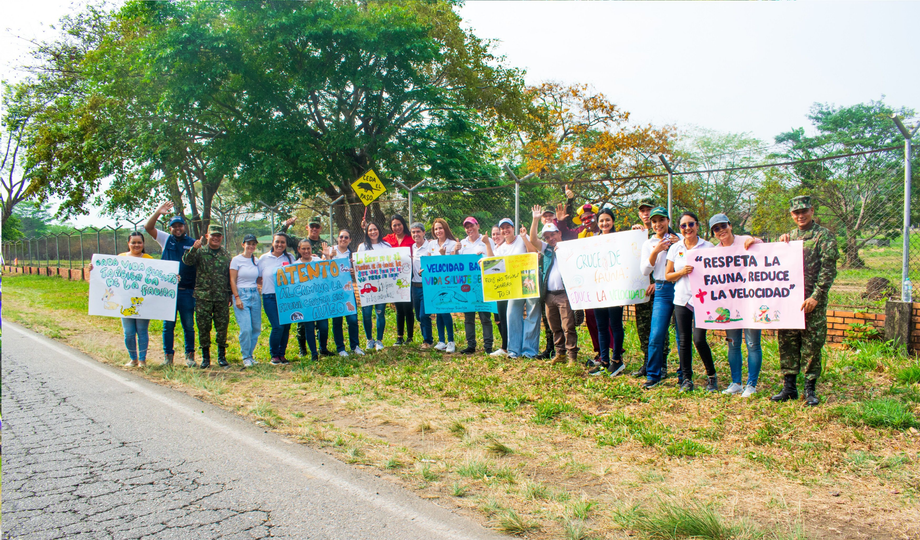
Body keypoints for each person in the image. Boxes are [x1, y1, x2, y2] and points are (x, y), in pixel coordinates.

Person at [773, 196, 838, 406]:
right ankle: (789, 387)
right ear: (791, 215)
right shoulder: (788, 237)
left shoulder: (824, 237)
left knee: (812, 345)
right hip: (789, 300)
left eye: (804, 211)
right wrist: (780, 244)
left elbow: (828, 271)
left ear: (811, 211)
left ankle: (810, 388)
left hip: (812, 302)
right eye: (796, 213)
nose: (800, 216)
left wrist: (816, 297)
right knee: (787, 342)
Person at [709, 213, 764, 397]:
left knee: (752, 343)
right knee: (733, 344)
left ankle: (751, 385)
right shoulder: (715, 252)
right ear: (713, 233)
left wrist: (756, 241)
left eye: (723, 226)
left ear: (730, 225)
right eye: (716, 229)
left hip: (751, 301)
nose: (721, 230)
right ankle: (736, 383)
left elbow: (765, 253)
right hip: (729, 304)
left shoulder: (745, 241)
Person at [665, 211, 717, 392]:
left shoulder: (708, 247)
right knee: (684, 341)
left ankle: (712, 376)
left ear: (697, 225)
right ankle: (687, 379)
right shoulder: (675, 248)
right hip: (681, 298)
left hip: (702, 299)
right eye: (683, 225)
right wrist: (681, 272)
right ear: (679, 228)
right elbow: (668, 275)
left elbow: (719, 272)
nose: (687, 228)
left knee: (699, 339)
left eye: (691, 224)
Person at [145, 201, 197, 367]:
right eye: (174, 226)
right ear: (170, 229)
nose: (177, 229)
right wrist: (158, 212)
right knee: (168, 326)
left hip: (186, 291)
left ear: (184, 227)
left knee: (188, 325)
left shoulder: (193, 243)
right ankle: (168, 357)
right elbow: (148, 227)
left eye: (180, 226)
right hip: (168, 292)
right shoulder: (166, 240)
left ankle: (190, 357)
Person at [524, 206, 577, 364]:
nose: (550, 238)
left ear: (559, 233)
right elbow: (533, 240)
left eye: (553, 234)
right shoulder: (546, 249)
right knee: (555, 326)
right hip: (549, 295)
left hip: (564, 294)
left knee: (568, 326)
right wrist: (535, 219)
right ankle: (559, 354)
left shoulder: (568, 247)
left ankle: (572, 356)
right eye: (547, 236)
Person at [484, 217, 540, 359]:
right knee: (512, 315)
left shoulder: (522, 238)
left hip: (529, 280)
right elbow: (493, 265)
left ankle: (529, 351)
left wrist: (525, 238)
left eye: (508, 227)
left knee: (532, 314)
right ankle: (514, 350)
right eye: (502, 228)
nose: (505, 230)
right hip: (514, 286)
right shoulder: (501, 248)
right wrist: (485, 261)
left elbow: (534, 254)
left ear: (513, 228)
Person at [640, 207, 681, 390]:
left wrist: (678, 244)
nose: (658, 224)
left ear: (668, 221)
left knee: (682, 335)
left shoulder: (679, 239)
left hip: (680, 287)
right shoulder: (649, 243)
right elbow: (645, 271)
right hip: (662, 289)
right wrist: (656, 250)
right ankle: (653, 375)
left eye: (661, 220)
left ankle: (684, 375)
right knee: (656, 334)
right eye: (654, 221)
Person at [182, 224, 233, 369]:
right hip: (203, 297)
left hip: (221, 296)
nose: (215, 238)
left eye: (218, 236)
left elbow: (228, 275)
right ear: (207, 236)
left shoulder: (226, 254)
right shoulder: (200, 252)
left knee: (222, 327)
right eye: (213, 235)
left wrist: (229, 294)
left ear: (221, 237)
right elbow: (187, 261)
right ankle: (205, 357)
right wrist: (194, 248)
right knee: (204, 327)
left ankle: (222, 357)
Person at [280, 216, 332, 354]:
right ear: (307, 227)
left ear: (320, 228)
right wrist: (285, 225)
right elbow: (280, 237)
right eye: (312, 226)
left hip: (318, 292)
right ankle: (302, 348)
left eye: (317, 226)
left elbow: (329, 267)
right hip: (303, 293)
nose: (314, 228)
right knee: (303, 323)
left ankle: (323, 348)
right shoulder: (300, 241)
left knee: (322, 323)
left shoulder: (324, 244)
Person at [585, 208, 626, 377]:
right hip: (598, 288)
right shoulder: (594, 241)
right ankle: (604, 361)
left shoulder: (621, 240)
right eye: (601, 221)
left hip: (615, 288)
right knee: (601, 325)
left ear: (613, 221)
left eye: (607, 220)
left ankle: (617, 361)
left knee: (615, 324)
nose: (604, 224)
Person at [455, 216, 495, 355]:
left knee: (485, 316)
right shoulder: (462, 244)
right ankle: (471, 345)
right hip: (467, 286)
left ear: (477, 225)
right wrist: (455, 251)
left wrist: (484, 253)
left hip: (483, 284)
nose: (469, 229)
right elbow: (456, 265)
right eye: (466, 227)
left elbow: (494, 258)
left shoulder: (486, 241)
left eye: (471, 226)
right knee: (469, 318)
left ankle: (488, 346)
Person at [324, 229, 364, 357]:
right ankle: (340, 348)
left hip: (348, 292)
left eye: (346, 237)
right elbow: (322, 271)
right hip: (334, 292)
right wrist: (328, 257)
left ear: (350, 240)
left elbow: (359, 273)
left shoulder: (352, 255)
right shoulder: (330, 251)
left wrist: (354, 273)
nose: (343, 239)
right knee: (337, 321)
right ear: (337, 238)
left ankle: (355, 346)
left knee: (352, 319)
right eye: (341, 237)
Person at [259, 233, 296, 365]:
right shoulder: (263, 259)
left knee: (286, 326)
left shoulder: (290, 258)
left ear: (286, 244)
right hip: (270, 296)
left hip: (286, 297)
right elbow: (258, 277)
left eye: (283, 242)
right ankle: (274, 354)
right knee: (277, 326)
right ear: (272, 243)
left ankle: (282, 354)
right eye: (277, 242)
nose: (280, 245)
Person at [119, 232, 155, 367]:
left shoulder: (149, 259)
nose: (136, 245)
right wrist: (93, 268)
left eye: (139, 242)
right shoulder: (120, 258)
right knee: (128, 332)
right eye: (133, 242)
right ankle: (133, 358)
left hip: (143, 302)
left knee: (142, 331)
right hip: (125, 302)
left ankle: (142, 360)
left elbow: (157, 279)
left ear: (143, 244)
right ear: (128, 243)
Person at [631, 197, 656, 377]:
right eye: (643, 211)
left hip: (658, 289)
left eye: (649, 210)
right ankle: (647, 362)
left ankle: (660, 364)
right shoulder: (636, 234)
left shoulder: (664, 234)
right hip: (640, 288)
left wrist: (658, 281)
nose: (646, 214)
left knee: (658, 328)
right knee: (643, 326)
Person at [294, 238, 330, 362]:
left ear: (311, 249)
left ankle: (323, 349)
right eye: (303, 248)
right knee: (309, 327)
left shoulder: (318, 261)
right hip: (305, 302)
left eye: (308, 248)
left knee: (323, 326)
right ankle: (314, 353)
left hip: (320, 300)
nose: (306, 251)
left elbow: (329, 271)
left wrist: (327, 256)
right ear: (299, 250)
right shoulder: (294, 265)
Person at [230, 234, 262, 368]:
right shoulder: (236, 260)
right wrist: (237, 297)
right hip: (241, 294)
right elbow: (232, 280)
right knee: (246, 328)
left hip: (254, 294)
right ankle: (245, 356)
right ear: (243, 245)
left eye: (253, 244)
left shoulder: (256, 260)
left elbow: (259, 277)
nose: (251, 246)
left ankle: (250, 354)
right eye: (248, 243)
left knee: (256, 328)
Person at [358, 221, 391, 351]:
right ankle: (369, 340)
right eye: (370, 230)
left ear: (379, 230)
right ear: (366, 232)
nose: (373, 232)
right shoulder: (362, 247)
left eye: (375, 229)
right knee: (366, 313)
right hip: (367, 286)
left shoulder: (386, 246)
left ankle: (379, 340)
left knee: (380, 313)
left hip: (382, 286)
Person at [383, 214, 415, 345]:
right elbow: (373, 241)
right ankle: (399, 336)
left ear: (403, 224)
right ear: (391, 227)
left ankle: (410, 337)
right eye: (394, 225)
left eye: (399, 224)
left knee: (408, 308)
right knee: (399, 309)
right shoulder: (387, 240)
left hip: (408, 278)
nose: (397, 227)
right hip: (393, 279)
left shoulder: (411, 238)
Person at [429, 218, 458, 353]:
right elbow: (428, 262)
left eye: (440, 228)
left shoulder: (452, 244)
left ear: (445, 229)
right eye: (435, 229)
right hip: (435, 282)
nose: (438, 231)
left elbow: (453, 264)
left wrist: (443, 255)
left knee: (445, 310)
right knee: (439, 311)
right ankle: (441, 341)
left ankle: (451, 341)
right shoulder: (431, 244)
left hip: (447, 282)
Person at [409, 222, 434, 349]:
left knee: (424, 315)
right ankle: (426, 338)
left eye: (418, 231)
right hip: (414, 286)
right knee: (419, 316)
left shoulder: (430, 246)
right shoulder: (412, 248)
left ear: (424, 232)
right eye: (413, 232)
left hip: (426, 286)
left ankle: (428, 341)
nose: (416, 234)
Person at [489, 226, 509, 357]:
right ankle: (504, 345)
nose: (496, 236)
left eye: (498, 233)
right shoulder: (495, 249)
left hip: (506, 287)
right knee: (498, 318)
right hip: (495, 288)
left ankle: (506, 347)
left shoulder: (506, 248)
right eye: (493, 234)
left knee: (505, 317)